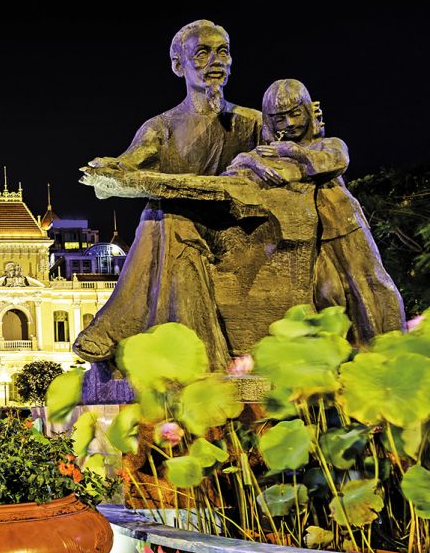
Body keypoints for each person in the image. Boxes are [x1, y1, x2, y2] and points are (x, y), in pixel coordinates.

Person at [77, 20, 262, 368]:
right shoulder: (161, 127)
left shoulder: (251, 123)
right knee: (167, 215)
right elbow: (127, 166)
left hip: (236, 230)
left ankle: (112, 327)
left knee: (165, 215)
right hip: (180, 229)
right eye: (202, 53)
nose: (215, 62)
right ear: (179, 65)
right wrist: (110, 171)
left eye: (222, 52)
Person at [225, 79, 405, 342]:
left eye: (295, 114)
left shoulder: (327, 145)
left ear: (308, 110)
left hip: (345, 228)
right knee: (327, 292)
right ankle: (344, 352)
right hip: (310, 238)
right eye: (279, 118)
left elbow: (334, 161)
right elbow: (233, 170)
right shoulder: (273, 153)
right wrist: (252, 160)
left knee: (368, 286)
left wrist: (293, 151)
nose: (289, 124)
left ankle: (389, 347)